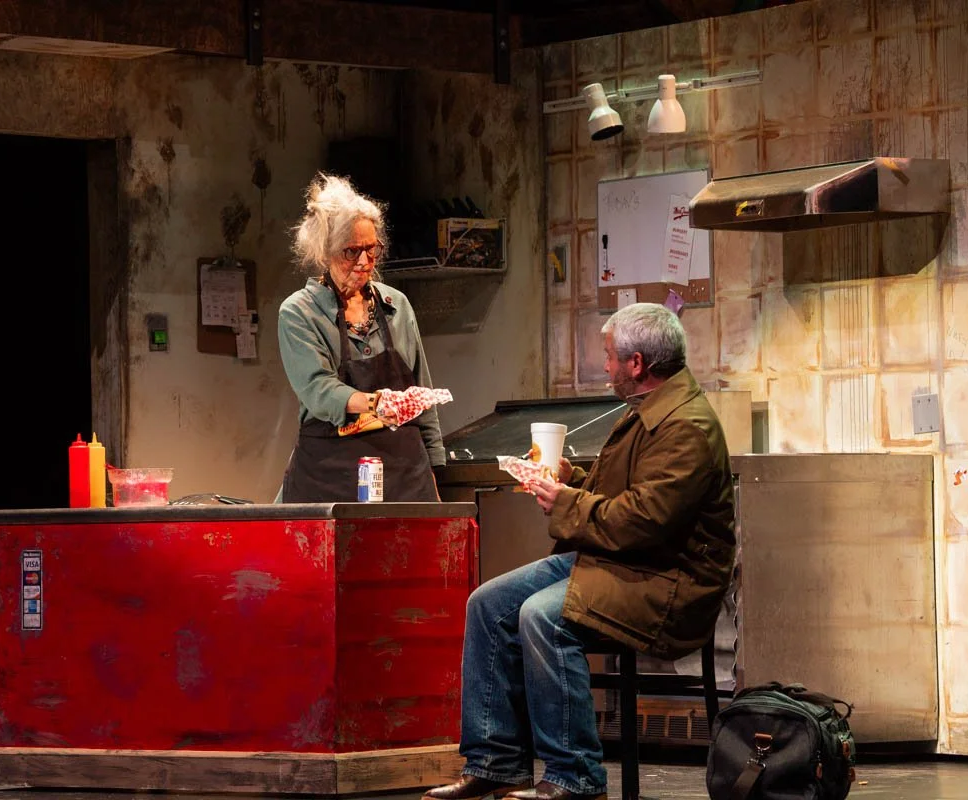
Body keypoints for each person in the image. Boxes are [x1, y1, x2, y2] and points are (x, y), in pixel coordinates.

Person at [425, 303, 735, 800]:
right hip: (621, 561)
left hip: (669, 581)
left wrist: (566, 502)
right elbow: (623, 498)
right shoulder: (647, 414)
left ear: (638, 364)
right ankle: (497, 762)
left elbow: (644, 521)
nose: (606, 367)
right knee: (488, 604)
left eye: (611, 357)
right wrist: (572, 479)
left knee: (542, 616)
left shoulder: (686, 428)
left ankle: (575, 776)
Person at [277, 173, 444, 502]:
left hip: (404, 478)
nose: (365, 262)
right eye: (351, 251)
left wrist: (436, 472)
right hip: (328, 476)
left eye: (372, 249)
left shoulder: (396, 306)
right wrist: (379, 403)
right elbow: (319, 391)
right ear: (325, 253)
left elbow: (422, 395)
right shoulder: (299, 312)